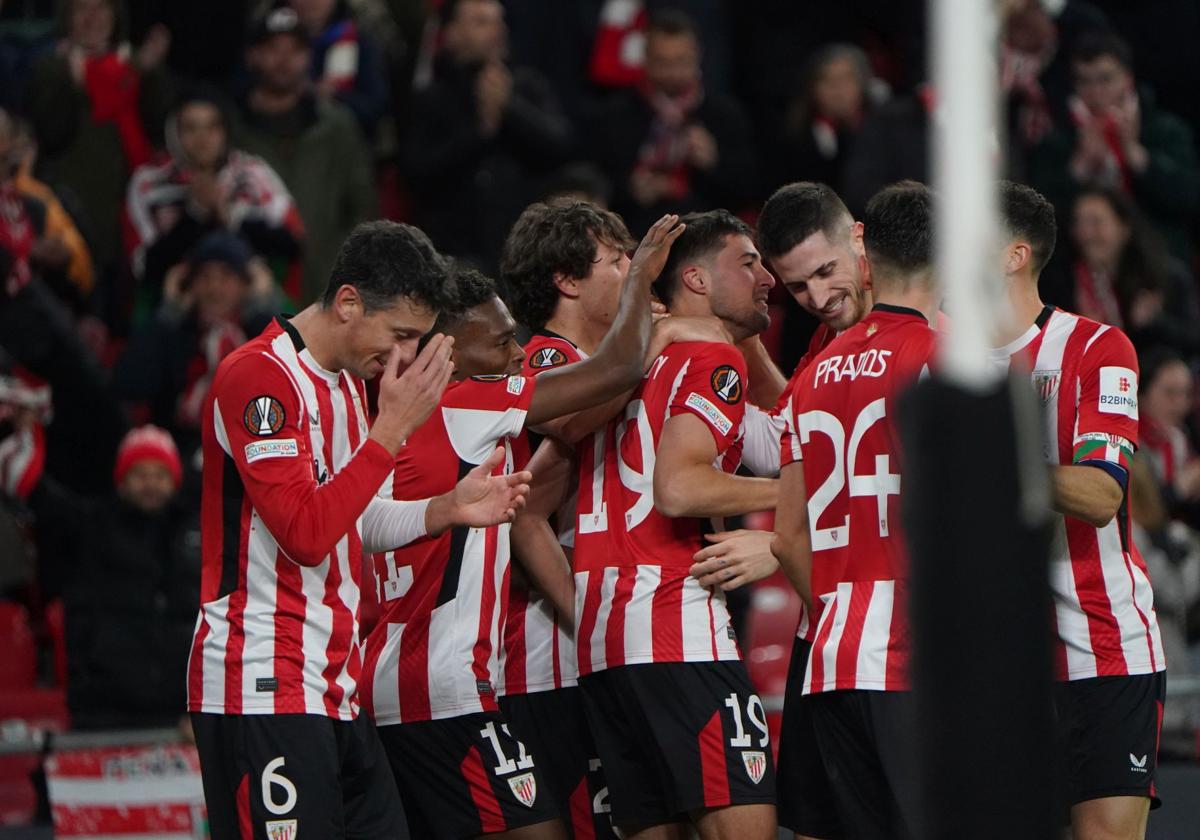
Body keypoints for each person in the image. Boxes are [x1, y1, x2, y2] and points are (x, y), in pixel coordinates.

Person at [187, 220, 533, 839]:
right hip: (264, 679)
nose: (402, 355)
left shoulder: (348, 385)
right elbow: (305, 532)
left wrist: (446, 510)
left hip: (335, 683)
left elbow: (357, 520)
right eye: (399, 333)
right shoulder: (259, 379)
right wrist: (390, 432)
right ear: (348, 302)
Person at [363, 212, 682, 838]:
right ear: (447, 354)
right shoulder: (466, 403)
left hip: (410, 678)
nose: (517, 356)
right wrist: (643, 279)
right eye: (502, 343)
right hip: (438, 685)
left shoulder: (404, 419)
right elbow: (613, 372)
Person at [567, 209, 778, 839]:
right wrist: (807, 498)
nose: (767, 277)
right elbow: (681, 486)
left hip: (604, 637)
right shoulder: (709, 362)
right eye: (748, 263)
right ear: (694, 279)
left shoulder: (623, 361)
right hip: (674, 623)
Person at [989, 181, 1165, 840]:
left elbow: (1101, 495)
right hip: (997, 659)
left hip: (1101, 646)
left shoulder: (1097, 348)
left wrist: (980, 461)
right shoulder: (936, 356)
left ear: (1013, 254)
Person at [770, 181, 937, 839]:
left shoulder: (819, 369)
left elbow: (788, 529)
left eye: (824, 272)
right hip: (902, 651)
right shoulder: (940, 342)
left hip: (836, 647)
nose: (815, 298)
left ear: (861, 239)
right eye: (797, 287)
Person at [404, 0, 572, 271]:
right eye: (481, 22)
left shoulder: (528, 86)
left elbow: (559, 148)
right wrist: (479, 134)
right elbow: (417, 173)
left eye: (499, 21)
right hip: (449, 253)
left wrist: (510, 108)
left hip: (523, 252)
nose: (497, 30)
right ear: (451, 33)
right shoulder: (431, 99)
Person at [112, 231, 283, 474]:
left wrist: (260, 305)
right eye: (204, 277)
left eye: (226, 277)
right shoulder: (173, 332)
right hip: (180, 453)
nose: (214, 288)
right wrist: (171, 311)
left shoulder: (261, 332)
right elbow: (130, 383)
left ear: (246, 285)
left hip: (252, 448)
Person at [234, 6, 372, 304]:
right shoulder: (232, 130)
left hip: (328, 291)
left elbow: (362, 208)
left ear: (309, 57)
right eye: (272, 48)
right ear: (252, 55)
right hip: (251, 294)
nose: (284, 60)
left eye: (295, 50)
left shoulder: (337, 127)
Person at [24, 0, 171, 272]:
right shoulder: (51, 68)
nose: (92, 19)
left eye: (101, 8)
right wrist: (72, 85)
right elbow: (50, 136)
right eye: (81, 9)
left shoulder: (136, 65)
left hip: (131, 203)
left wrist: (150, 74)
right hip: (74, 209)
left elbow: (159, 127)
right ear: (66, 18)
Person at [1028, 32, 1200, 261]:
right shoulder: (1058, 140)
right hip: (1082, 267)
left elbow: (1188, 198)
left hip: (1161, 264)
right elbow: (1037, 217)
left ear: (1127, 79)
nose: (1095, 92)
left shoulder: (1164, 129)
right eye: (1084, 81)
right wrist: (1078, 169)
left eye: (1105, 79)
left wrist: (1138, 157)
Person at [127, 88, 304, 309]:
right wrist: (195, 212)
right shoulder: (150, 183)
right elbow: (143, 267)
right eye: (190, 128)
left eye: (212, 127)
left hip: (253, 305)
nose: (202, 139)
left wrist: (231, 216)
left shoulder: (252, 174)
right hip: (178, 308)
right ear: (173, 132)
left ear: (225, 131)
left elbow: (292, 244)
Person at [590, 9, 756, 236]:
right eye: (662, 62)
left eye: (681, 61)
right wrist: (631, 190)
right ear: (645, 58)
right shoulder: (614, 115)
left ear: (698, 55)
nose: (672, 72)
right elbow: (592, 186)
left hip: (707, 238)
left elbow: (749, 190)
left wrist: (714, 163)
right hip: (632, 235)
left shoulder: (724, 115)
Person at [1062, 186, 1199, 356]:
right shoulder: (1064, 283)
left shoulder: (1165, 276)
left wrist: (1155, 323)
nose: (1085, 233)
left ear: (1124, 229)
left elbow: (1193, 338)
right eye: (1079, 223)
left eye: (1096, 222)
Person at [770, 45, 878, 196]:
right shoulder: (796, 139)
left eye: (846, 79)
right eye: (826, 80)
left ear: (862, 84)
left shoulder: (883, 132)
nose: (837, 89)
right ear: (812, 88)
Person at [287, 0, 391, 139]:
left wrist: (334, 95)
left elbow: (375, 108)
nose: (311, 2)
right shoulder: (268, 44)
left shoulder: (359, 42)